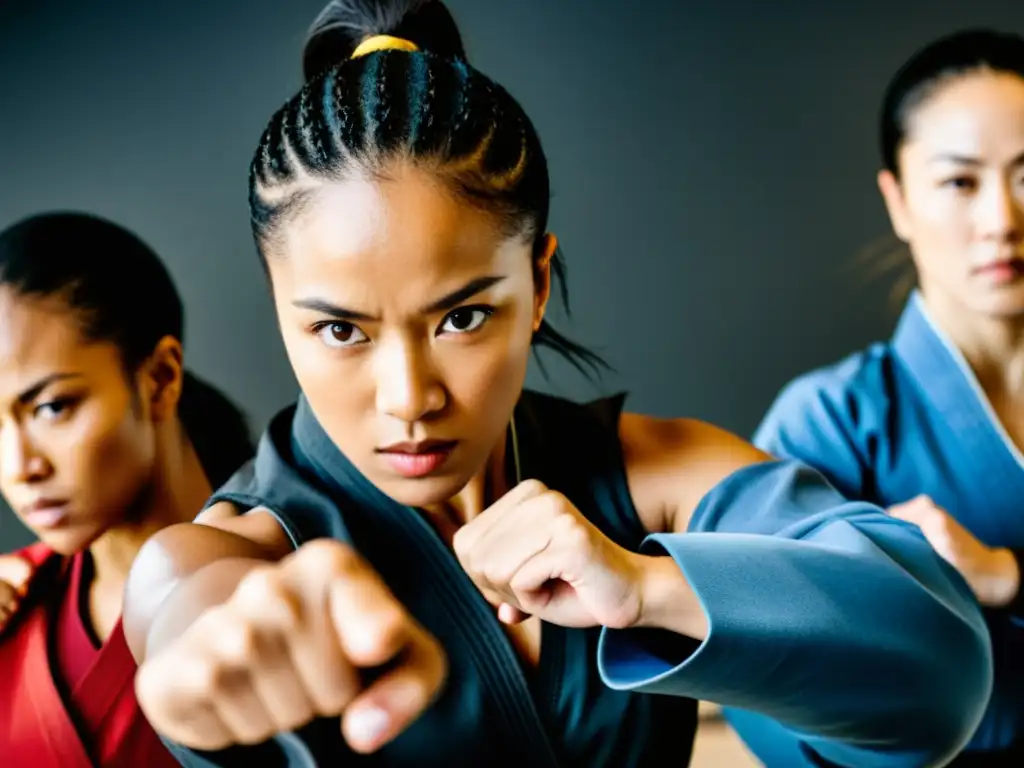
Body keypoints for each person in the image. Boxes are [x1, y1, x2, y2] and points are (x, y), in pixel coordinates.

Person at [122, 3, 993, 767]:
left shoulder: (653, 479)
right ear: (280, 309)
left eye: (461, 317)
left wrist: (648, 586)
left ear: (537, 285)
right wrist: (210, 632)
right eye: (340, 329)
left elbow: (944, 671)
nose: (409, 396)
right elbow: (178, 593)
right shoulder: (245, 550)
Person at [723, 28, 1024, 768]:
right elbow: (764, 677)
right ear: (897, 199)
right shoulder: (828, 422)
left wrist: (1006, 575)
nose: (1002, 221)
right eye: (960, 182)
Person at [0, 212, 255, 767]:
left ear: (160, 378)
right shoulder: (14, 605)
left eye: (52, 407)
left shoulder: (285, 576)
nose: (19, 467)